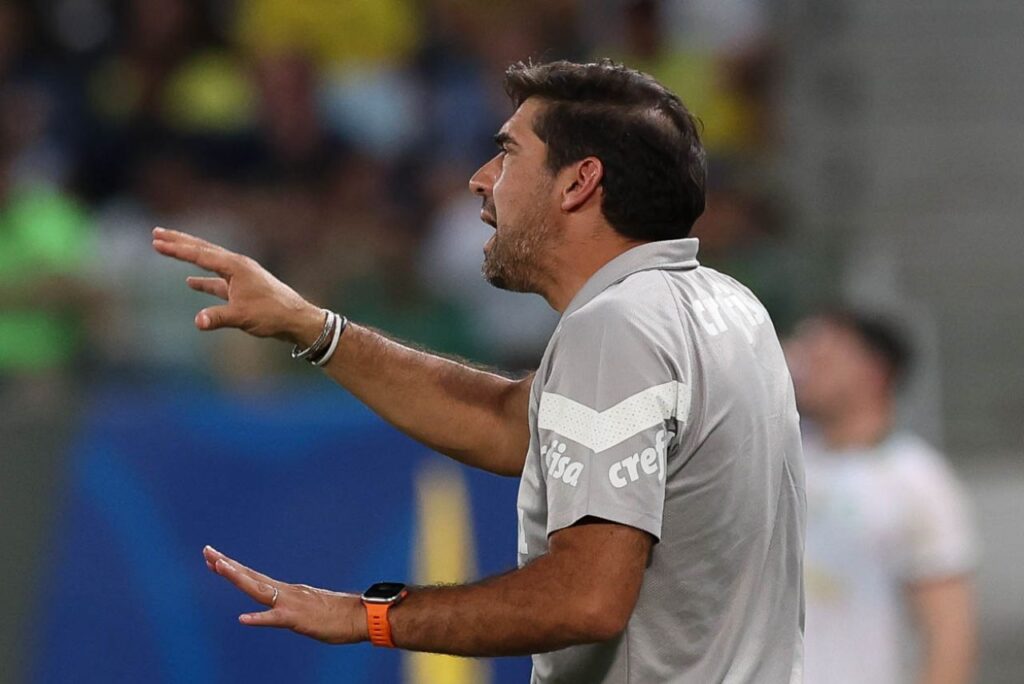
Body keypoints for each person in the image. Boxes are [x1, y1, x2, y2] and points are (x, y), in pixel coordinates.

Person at [153, 60, 805, 683]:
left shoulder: (618, 328)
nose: (479, 178)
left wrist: (366, 615)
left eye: (508, 153)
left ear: (578, 182)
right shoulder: (724, 305)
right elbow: (506, 424)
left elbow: (584, 599)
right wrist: (312, 326)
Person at [785, 310, 977, 684]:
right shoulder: (781, 459)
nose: (805, 364)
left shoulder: (917, 479)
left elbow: (950, 636)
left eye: (825, 351)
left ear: (874, 371)